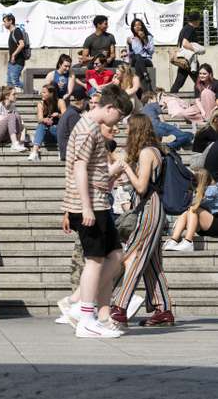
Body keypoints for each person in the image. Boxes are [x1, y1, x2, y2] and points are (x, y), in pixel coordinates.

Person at [62, 85, 132, 338]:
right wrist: (86, 207)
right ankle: (85, 315)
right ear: (110, 108)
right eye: (119, 116)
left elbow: (88, 169)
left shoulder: (90, 127)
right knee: (95, 260)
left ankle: (97, 314)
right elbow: (79, 168)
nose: (119, 123)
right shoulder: (87, 129)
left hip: (98, 201)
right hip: (91, 203)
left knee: (115, 255)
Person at [110, 114, 173, 328]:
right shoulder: (152, 151)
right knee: (152, 264)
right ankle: (163, 309)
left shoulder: (147, 152)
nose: (126, 132)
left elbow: (141, 187)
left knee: (134, 255)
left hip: (150, 208)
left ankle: (119, 307)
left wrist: (126, 167)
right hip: (152, 207)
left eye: (128, 128)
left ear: (136, 129)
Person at [165, 168, 216, 252]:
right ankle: (174, 240)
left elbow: (195, 204)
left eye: (195, 180)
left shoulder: (213, 190)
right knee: (187, 211)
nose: (192, 182)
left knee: (193, 209)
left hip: (215, 225)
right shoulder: (202, 190)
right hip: (206, 226)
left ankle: (188, 242)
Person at [28, 84, 65, 161]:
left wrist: (58, 115)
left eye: (44, 92)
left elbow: (66, 117)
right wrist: (45, 120)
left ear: (51, 93)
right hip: (48, 133)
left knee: (60, 127)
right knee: (41, 124)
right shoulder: (41, 104)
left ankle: (62, 151)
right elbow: (39, 119)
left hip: (59, 133)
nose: (42, 94)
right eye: (42, 92)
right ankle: (34, 152)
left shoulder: (60, 102)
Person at [170, 12, 205, 93]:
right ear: (195, 20)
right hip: (190, 59)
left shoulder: (185, 28)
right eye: (199, 20)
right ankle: (204, 96)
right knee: (199, 80)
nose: (199, 22)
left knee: (179, 81)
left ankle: (170, 96)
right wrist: (195, 50)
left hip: (185, 59)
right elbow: (185, 43)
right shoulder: (190, 29)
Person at [0, 86, 27, 152]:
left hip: (5, 136)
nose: (16, 96)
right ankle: (14, 144)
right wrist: (1, 119)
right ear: (7, 96)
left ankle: (18, 143)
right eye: (14, 94)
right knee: (11, 115)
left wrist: (22, 140)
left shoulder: (13, 107)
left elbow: (21, 125)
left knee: (17, 116)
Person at [57, 87, 89, 161]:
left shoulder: (69, 112)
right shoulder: (73, 115)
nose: (87, 104)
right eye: (86, 101)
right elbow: (78, 137)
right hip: (71, 155)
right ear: (82, 101)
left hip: (67, 153)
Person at [127, 19, 154, 91]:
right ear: (132, 28)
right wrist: (130, 44)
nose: (137, 27)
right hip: (134, 59)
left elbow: (151, 52)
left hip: (146, 60)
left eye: (139, 25)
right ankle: (146, 76)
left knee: (139, 61)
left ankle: (138, 83)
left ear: (142, 26)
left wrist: (144, 39)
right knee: (138, 56)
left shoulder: (149, 37)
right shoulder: (130, 38)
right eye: (135, 26)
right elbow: (130, 54)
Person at [3, 14, 27, 92]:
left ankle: (33, 91)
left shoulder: (16, 31)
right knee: (9, 83)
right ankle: (10, 97)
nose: (4, 23)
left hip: (18, 61)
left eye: (5, 21)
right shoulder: (12, 32)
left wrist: (13, 55)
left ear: (10, 21)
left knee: (15, 81)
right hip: (12, 62)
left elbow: (22, 44)